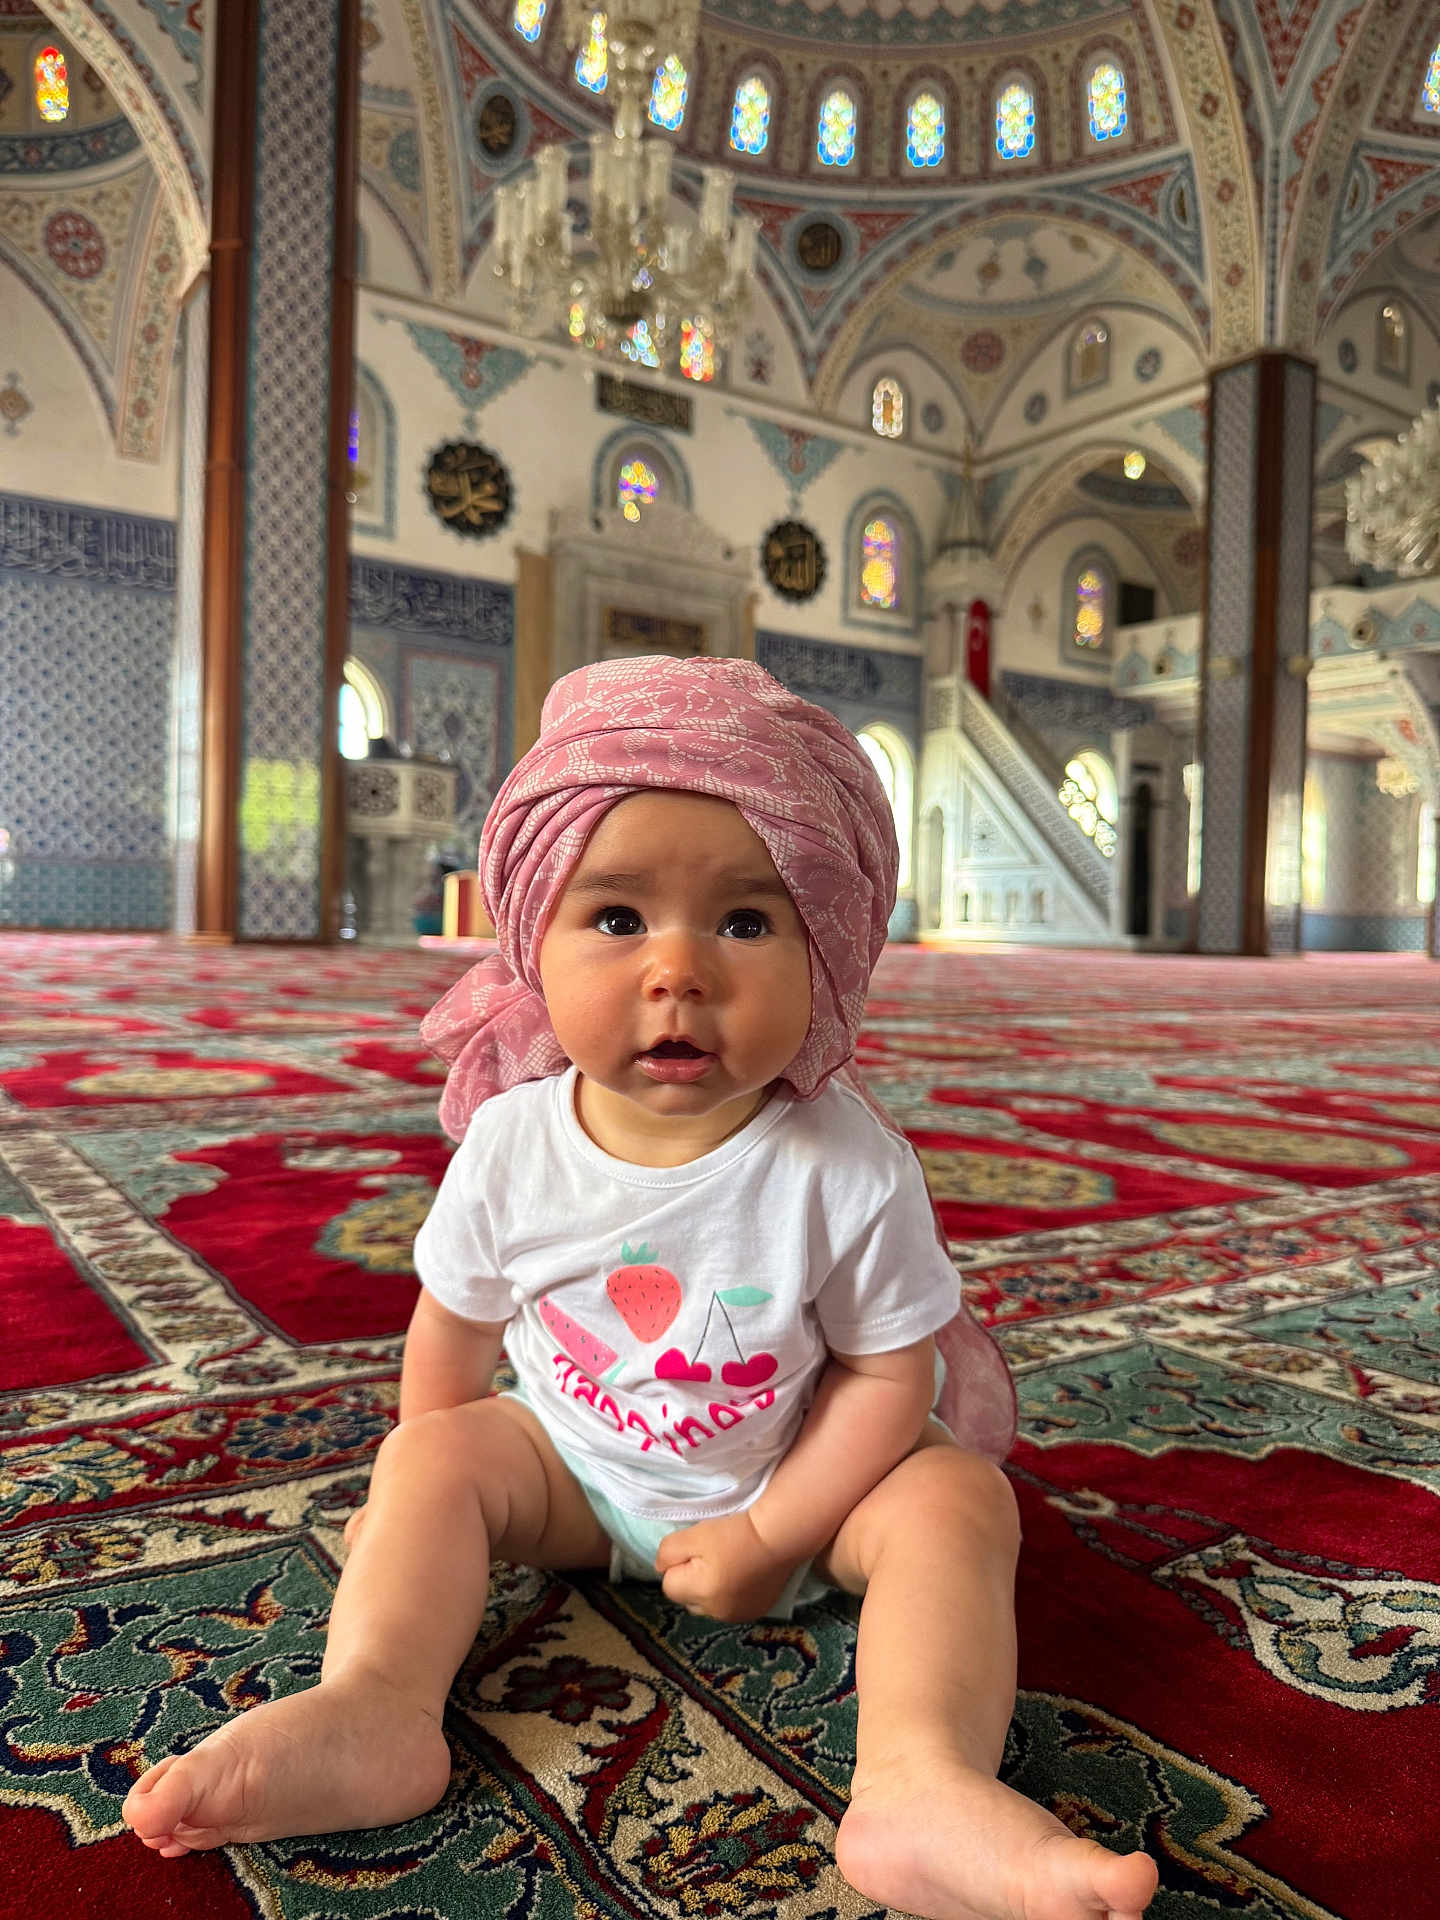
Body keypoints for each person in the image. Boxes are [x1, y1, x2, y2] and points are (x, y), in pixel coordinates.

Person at [122, 656, 1158, 1920]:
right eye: (617, 920)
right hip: (573, 1473)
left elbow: (898, 1373)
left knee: (955, 1499)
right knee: (431, 1465)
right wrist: (418, 1499)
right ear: (531, 942)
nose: (680, 971)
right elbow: (452, 1334)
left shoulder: (847, 1164)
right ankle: (377, 1707)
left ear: (826, 948)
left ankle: (918, 1781)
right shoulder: (514, 1143)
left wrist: (776, 1534)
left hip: (795, 1481)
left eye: (744, 921)